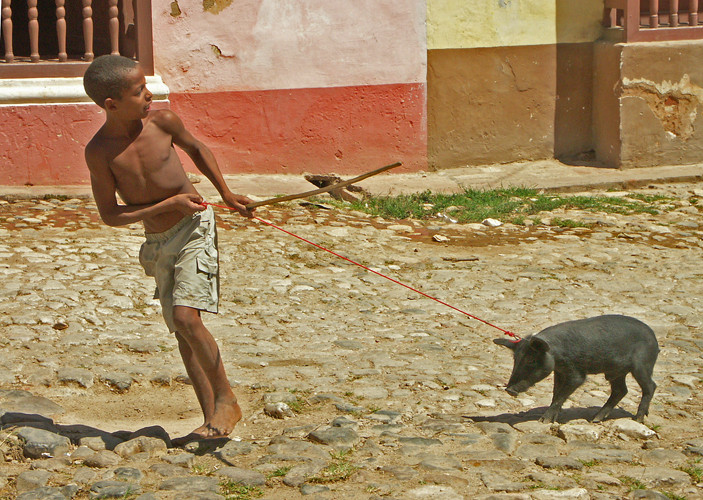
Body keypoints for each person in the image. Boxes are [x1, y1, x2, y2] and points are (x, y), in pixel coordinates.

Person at [83, 54, 252, 444]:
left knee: (187, 317)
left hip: (193, 226)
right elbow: (111, 215)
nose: (149, 94)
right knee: (181, 329)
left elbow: (197, 148)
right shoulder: (99, 152)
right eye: (139, 90)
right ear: (111, 104)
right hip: (159, 240)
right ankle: (211, 421)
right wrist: (167, 205)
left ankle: (227, 400)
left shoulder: (163, 121)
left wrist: (225, 193)